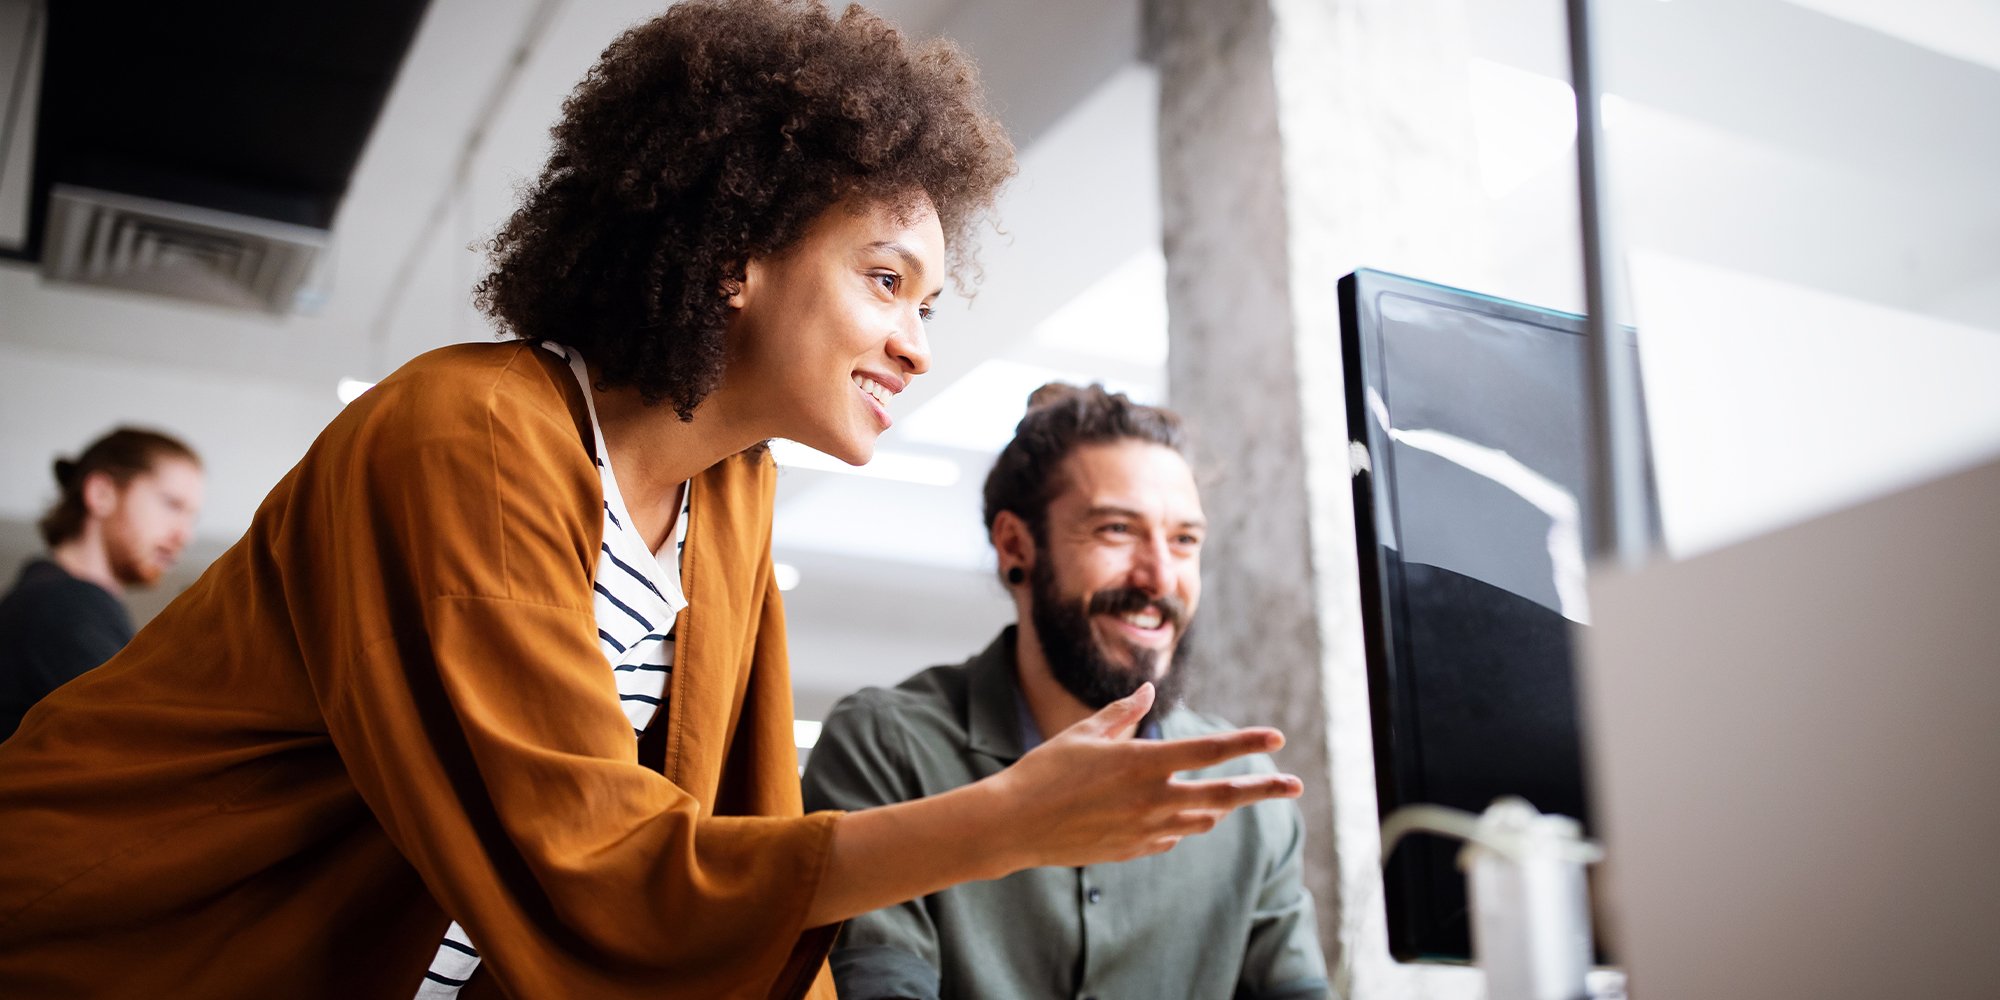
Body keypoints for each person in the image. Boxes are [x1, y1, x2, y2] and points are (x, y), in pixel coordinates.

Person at [0, 4, 1302, 998]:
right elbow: (595, 867)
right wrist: (1001, 823)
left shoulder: (728, 500)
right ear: (737, 253)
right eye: (885, 280)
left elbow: (728, 835)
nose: (916, 344)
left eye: (928, 304)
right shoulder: (463, 437)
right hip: (107, 948)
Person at [804, 383, 1331, 1000]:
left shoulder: (1244, 792)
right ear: (1015, 546)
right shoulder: (887, 748)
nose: (1160, 577)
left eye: (1185, 540)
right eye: (1116, 530)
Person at [0, 428, 203, 742]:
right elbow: (138, 746)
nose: (184, 535)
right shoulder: (65, 604)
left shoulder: (53, 597)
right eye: (171, 505)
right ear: (101, 493)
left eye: (192, 518)